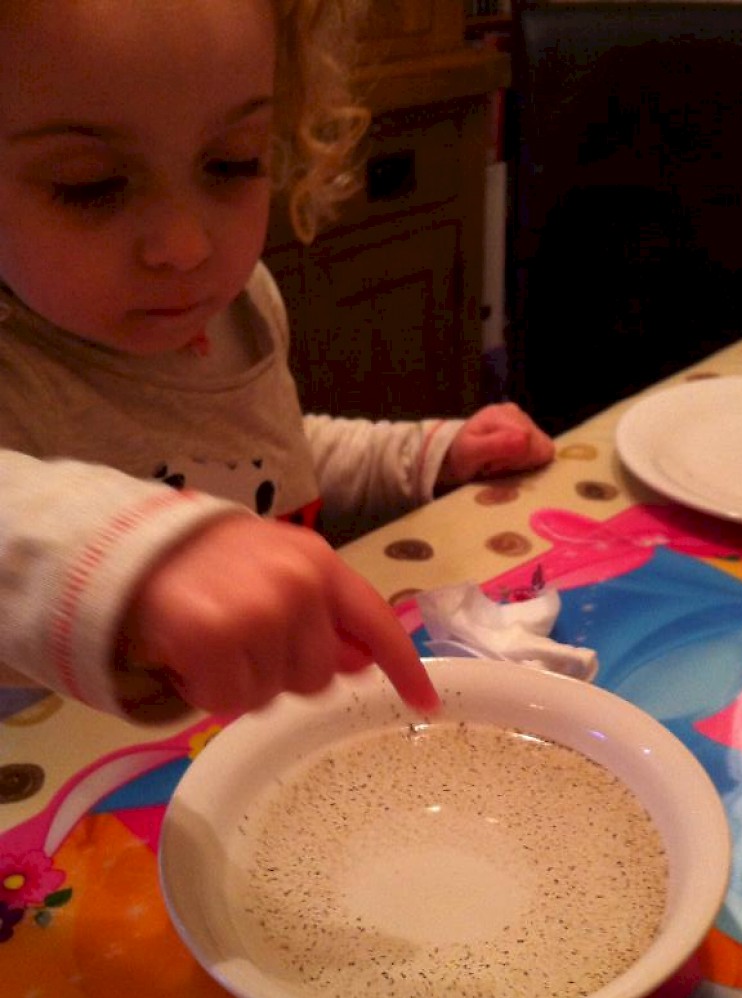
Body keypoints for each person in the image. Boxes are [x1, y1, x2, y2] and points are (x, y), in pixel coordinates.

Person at [0, 0, 554, 724]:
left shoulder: (238, 307)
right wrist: (132, 566)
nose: (186, 245)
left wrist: (421, 454)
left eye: (232, 162)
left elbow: (261, 459)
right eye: (90, 183)